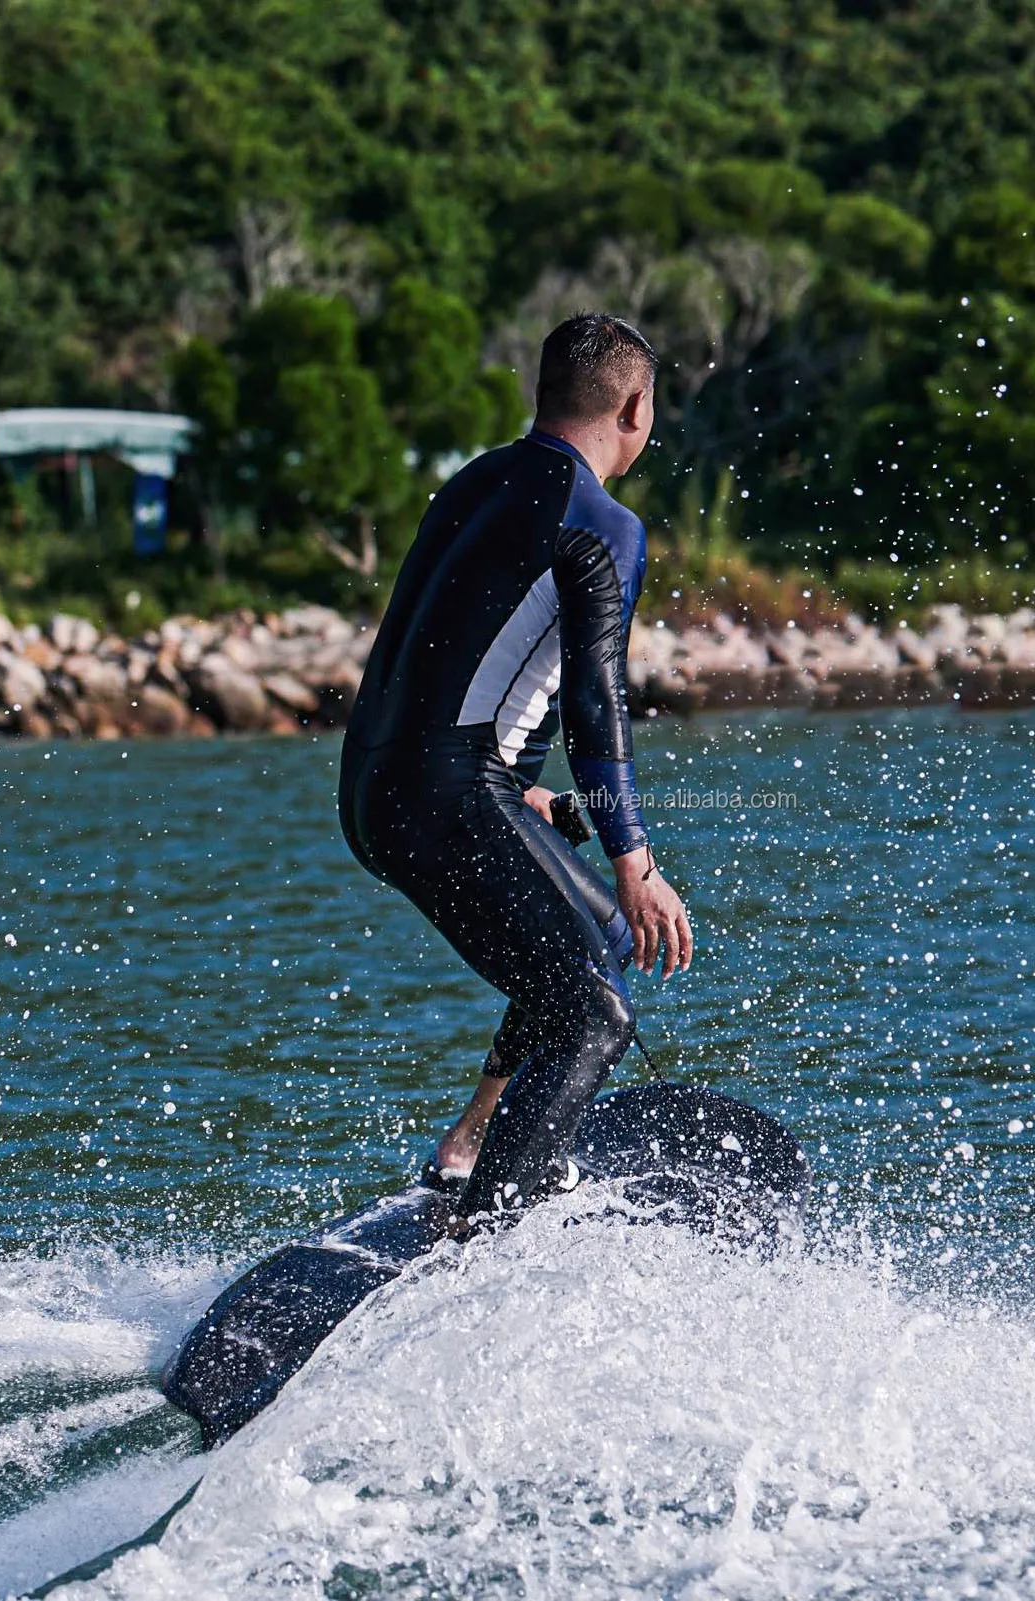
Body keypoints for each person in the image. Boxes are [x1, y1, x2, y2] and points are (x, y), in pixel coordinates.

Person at [339, 312, 692, 1225]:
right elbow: (594, 701)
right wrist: (635, 861)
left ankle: (467, 1146)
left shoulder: (474, 481)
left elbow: (442, 648)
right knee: (594, 1017)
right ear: (634, 406)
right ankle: (494, 1227)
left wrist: (519, 783)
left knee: (598, 946)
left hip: (375, 788)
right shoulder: (602, 523)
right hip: (448, 793)